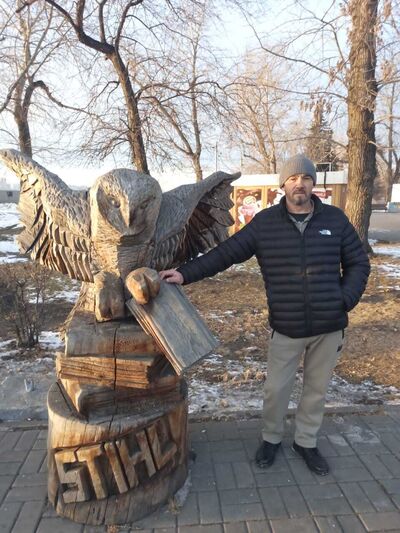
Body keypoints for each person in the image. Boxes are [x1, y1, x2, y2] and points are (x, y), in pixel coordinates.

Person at [160, 154, 370, 476]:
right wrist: (185, 274)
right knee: (275, 390)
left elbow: (358, 263)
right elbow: (226, 253)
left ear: (313, 184)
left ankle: (306, 442)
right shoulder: (265, 223)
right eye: (293, 178)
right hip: (286, 326)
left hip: (329, 327)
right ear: (283, 184)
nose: (299, 184)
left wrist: (345, 299)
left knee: (316, 391)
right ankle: (271, 439)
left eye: (306, 178)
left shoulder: (335, 220)